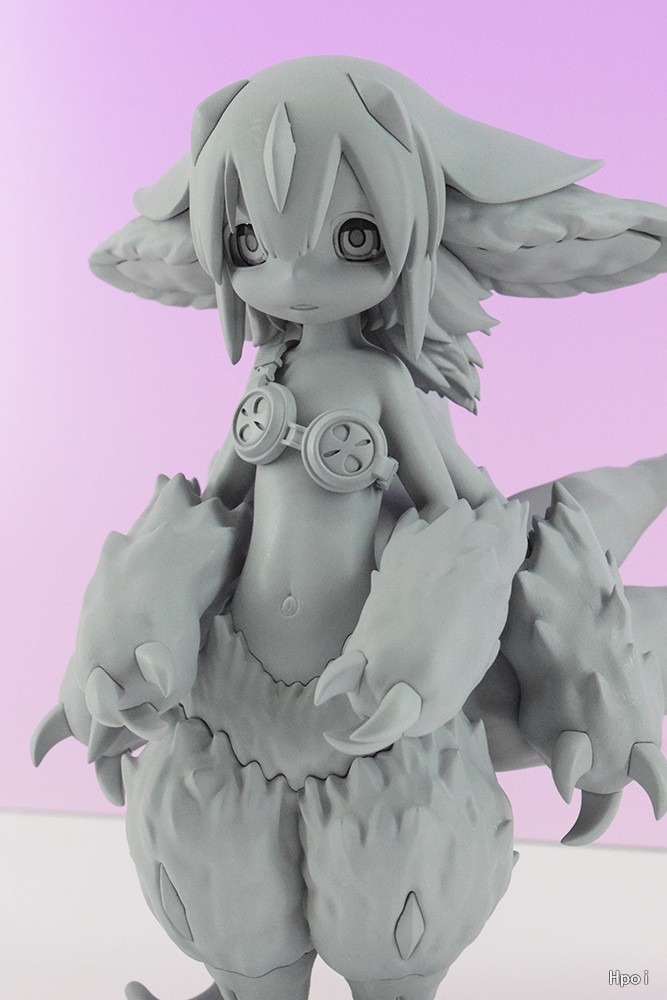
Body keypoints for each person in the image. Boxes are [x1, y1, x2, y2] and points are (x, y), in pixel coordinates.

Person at [33, 57, 667, 1000]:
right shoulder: (269, 382)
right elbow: (214, 506)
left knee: (392, 900)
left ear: (411, 235)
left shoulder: (378, 382)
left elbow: (455, 506)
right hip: (236, 707)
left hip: (379, 716)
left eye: (352, 236)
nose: (292, 275)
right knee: (220, 879)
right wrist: (125, 641)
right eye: (252, 239)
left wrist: (466, 612)